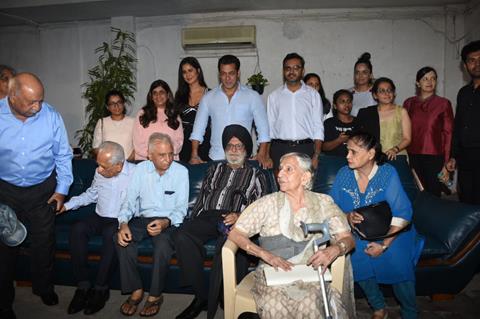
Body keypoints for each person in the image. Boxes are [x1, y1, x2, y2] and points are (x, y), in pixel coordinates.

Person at [228, 152, 355, 319]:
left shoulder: (324, 203)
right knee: (274, 305)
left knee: (310, 304)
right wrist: (265, 255)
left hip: (311, 275)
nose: (280, 174)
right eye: (280, 169)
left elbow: (348, 239)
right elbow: (236, 234)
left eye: (288, 169)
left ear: (305, 177)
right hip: (272, 273)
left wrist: (335, 250)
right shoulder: (268, 203)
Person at [174, 124, 268, 319]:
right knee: (183, 235)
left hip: (237, 218)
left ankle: (228, 293)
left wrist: (242, 215)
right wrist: (195, 221)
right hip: (208, 216)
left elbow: (262, 205)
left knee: (226, 244)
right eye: (230, 146)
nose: (233, 150)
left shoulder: (256, 173)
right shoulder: (213, 168)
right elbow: (202, 197)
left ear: (246, 150)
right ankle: (201, 296)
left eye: (239, 146)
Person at [0, 73, 73, 319]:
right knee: (5, 249)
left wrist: (62, 190)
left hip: (42, 189)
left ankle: (43, 288)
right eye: (31, 102)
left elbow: (63, 155)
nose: (38, 107)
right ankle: (3, 303)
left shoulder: (50, 116)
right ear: (12, 97)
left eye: (40, 100)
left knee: (44, 243)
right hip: (6, 191)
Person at [330, 131, 423, 319]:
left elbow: (403, 212)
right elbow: (331, 207)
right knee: (356, 256)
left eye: (354, 152)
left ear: (371, 154)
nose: (348, 156)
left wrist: (384, 245)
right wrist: (347, 216)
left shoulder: (387, 173)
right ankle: (378, 307)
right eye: (347, 151)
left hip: (394, 232)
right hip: (359, 234)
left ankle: (410, 311)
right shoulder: (343, 174)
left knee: (397, 259)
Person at [116, 133, 189, 317]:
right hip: (144, 219)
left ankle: (155, 295)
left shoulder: (181, 172)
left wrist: (166, 222)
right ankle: (136, 289)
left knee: (162, 244)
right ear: (149, 155)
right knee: (121, 238)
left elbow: (181, 209)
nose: (168, 159)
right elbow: (129, 201)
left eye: (171, 154)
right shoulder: (140, 170)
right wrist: (123, 222)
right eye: (162, 155)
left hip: (170, 221)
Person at [59, 142, 136, 315]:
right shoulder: (100, 171)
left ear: (118, 165)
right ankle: (83, 286)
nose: (99, 170)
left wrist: (125, 221)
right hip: (99, 216)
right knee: (77, 229)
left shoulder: (136, 174)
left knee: (111, 234)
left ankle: (101, 289)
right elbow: (92, 194)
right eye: (98, 165)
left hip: (120, 219)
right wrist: (67, 206)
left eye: (103, 166)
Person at [189, 54, 271, 168]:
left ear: (238, 73)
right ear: (219, 75)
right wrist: (194, 154)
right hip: (216, 158)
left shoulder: (252, 96)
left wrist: (262, 154)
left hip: (243, 159)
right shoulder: (208, 97)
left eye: (231, 73)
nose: (227, 78)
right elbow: (198, 129)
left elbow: (263, 129)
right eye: (223, 74)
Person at [267, 53, 324, 170]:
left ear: (302, 71)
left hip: (306, 149)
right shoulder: (274, 96)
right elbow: (269, 128)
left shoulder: (313, 95)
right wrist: (267, 155)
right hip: (280, 149)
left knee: (305, 186)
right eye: (288, 68)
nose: (291, 71)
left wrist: (316, 155)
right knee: (282, 186)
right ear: (283, 71)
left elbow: (318, 126)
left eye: (296, 68)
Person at [403, 67, 454, 197]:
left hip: (435, 156)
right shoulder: (409, 103)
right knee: (417, 192)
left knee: (433, 193)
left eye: (433, 78)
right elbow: (403, 130)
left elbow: (449, 134)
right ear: (417, 83)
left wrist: (447, 162)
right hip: (413, 154)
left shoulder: (443, 103)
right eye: (425, 78)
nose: (429, 81)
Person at [447, 40, 480, 204]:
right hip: (466, 156)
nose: (476, 64)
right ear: (465, 65)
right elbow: (458, 125)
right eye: (471, 60)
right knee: (467, 198)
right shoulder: (464, 93)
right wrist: (454, 156)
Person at [357, 77, 411, 161]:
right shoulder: (367, 113)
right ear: (375, 95)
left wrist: (395, 149)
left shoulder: (401, 112)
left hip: (396, 156)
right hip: (373, 158)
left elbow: (407, 139)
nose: (386, 93)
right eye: (382, 91)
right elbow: (360, 138)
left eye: (389, 90)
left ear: (394, 93)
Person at [133, 80, 183, 160]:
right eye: (154, 93)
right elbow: (137, 143)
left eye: (161, 92)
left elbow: (179, 141)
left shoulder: (174, 115)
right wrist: (154, 156)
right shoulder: (142, 114)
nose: (158, 95)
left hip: (169, 161)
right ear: (151, 96)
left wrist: (165, 154)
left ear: (168, 95)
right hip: (146, 161)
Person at [174, 57, 211, 162]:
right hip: (185, 143)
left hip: (206, 141)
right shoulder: (179, 95)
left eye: (190, 70)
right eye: (184, 72)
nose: (188, 75)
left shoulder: (210, 94)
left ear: (198, 71)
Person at [92, 90, 135, 159]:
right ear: (107, 107)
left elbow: (138, 147)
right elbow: (96, 147)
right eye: (112, 103)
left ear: (123, 104)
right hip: (108, 166)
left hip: (129, 164)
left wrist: (127, 162)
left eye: (119, 102)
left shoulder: (133, 122)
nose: (116, 106)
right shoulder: (102, 122)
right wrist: (108, 162)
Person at [323, 89, 360, 157]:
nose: (346, 104)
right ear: (335, 106)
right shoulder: (329, 123)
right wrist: (339, 140)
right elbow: (323, 147)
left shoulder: (358, 122)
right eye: (342, 102)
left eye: (349, 101)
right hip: (333, 161)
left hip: (355, 159)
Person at [350, 52, 376, 117]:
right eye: (357, 72)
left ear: (370, 75)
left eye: (364, 72)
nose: (360, 76)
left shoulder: (378, 92)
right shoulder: (348, 93)